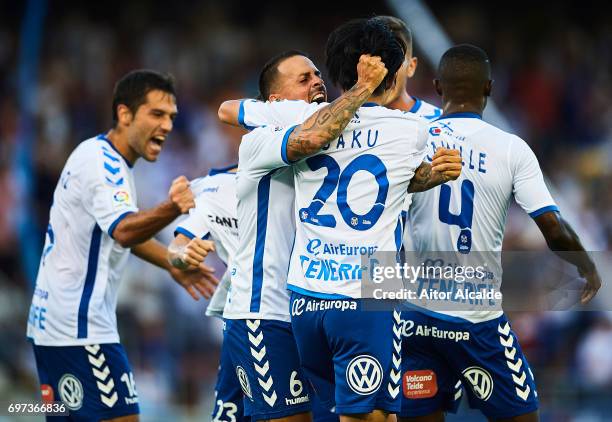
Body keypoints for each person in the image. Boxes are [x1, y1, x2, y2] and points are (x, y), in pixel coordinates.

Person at [398, 44, 602, 422]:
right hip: (477, 321)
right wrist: (586, 265)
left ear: (438, 87)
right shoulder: (511, 149)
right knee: (523, 416)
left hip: (416, 317)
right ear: (489, 88)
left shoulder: (411, 139)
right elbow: (553, 228)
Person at [26, 70, 218, 421]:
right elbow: (124, 232)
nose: (167, 125)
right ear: (124, 114)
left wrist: (171, 262)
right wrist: (172, 207)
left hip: (54, 326)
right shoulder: (105, 166)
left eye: (171, 117)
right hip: (80, 331)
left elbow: (116, 231)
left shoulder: (97, 154)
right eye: (156, 114)